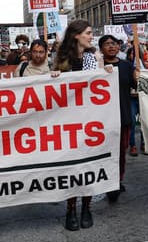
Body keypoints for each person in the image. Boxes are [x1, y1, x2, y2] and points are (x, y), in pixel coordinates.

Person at [53, 19, 102, 230]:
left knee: (89, 165)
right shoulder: (61, 60)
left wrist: (106, 71)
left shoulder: (93, 57)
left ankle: (86, 207)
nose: (91, 36)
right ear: (76, 35)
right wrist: (54, 77)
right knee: (71, 168)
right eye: (88, 32)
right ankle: (71, 208)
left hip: (91, 121)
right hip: (69, 123)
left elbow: (99, 84)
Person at [99, 34, 136, 203]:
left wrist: (139, 75)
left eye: (114, 43)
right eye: (107, 44)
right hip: (102, 121)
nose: (111, 46)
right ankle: (108, 181)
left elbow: (138, 85)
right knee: (105, 154)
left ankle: (117, 181)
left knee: (121, 152)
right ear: (101, 49)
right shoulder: (96, 68)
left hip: (123, 118)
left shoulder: (127, 66)